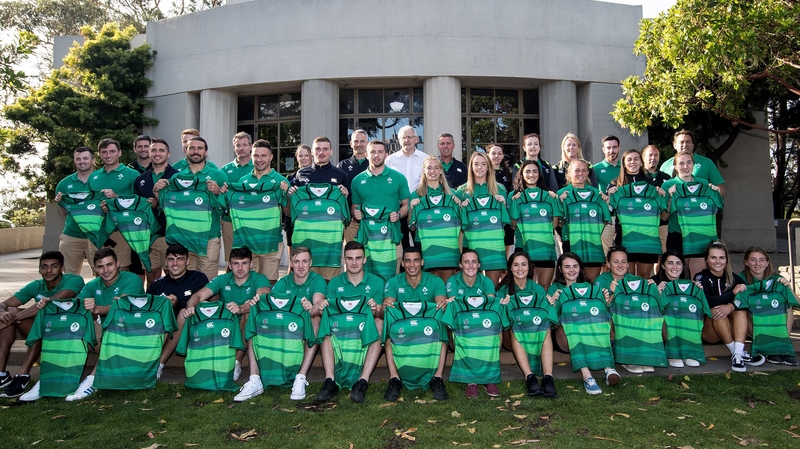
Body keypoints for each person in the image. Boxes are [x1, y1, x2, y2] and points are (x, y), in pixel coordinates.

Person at [235, 248, 322, 401]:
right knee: (255, 317)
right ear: (291, 264)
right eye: (296, 262)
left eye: (304, 261)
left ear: (311, 263)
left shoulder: (317, 280)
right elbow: (269, 305)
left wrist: (311, 308)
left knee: (316, 319)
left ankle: (300, 377)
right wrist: (257, 302)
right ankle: (254, 379)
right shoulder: (283, 283)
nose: (301, 266)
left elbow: (318, 303)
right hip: (281, 332)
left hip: (301, 332)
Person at [183, 247, 272, 388]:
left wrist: (241, 308)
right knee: (199, 306)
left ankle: (236, 363)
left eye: (244, 263)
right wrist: (191, 306)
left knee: (249, 314)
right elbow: (198, 295)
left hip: (248, 324)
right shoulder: (223, 279)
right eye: (236, 263)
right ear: (229, 265)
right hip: (226, 325)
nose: (240, 268)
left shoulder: (259, 278)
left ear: (251, 264)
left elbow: (263, 296)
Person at [0, 251, 85, 399]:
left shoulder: (74, 280)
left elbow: (51, 302)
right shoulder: (36, 285)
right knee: (10, 310)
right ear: (39, 270)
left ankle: (23, 374)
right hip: (42, 331)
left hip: (64, 333)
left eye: (54, 266)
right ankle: (1, 375)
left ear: (63, 268)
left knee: (30, 318)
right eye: (44, 267)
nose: (48, 270)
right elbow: (4, 304)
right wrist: (3, 314)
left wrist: (14, 317)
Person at [66, 248, 146, 401]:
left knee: (117, 320)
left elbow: (121, 307)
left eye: (109, 265)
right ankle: (58, 377)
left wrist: (97, 309)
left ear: (118, 263)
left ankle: (92, 380)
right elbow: (76, 306)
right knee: (73, 324)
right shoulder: (93, 285)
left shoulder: (132, 279)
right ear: (95, 268)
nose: (106, 270)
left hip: (130, 334)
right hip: (100, 334)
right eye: (100, 266)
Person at [314, 241, 384, 403]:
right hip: (341, 331)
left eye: (358, 258)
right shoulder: (334, 283)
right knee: (324, 324)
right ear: (344, 259)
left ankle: (362, 381)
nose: (354, 262)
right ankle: (329, 380)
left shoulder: (377, 282)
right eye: (350, 258)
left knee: (380, 323)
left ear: (364, 259)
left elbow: (381, 312)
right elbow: (328, 312)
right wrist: (323, 307)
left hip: (363, 330)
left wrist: (375, 309)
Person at [154, 136, 228, 281]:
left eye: (199, 148)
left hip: (208, 239)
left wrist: (218, 192)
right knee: (186, 283)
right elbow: (166, 207)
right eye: (191, 148)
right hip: (182, 239)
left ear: (206, 152)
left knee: (208, 284)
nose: (195, 151)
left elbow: (229, 205)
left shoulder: (218, 175)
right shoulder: (176, 178)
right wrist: (157, 192)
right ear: (185, 151)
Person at [381, 247, 449, 401]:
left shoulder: (435, 281)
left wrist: (442, 304)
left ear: (422, 262)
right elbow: (389, 305)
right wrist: (386, 306)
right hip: (403, 329)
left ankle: (437, 377)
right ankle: (394, 378)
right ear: (403, 263)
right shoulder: (393, 282)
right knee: (388, 323)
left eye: (416, 260)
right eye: (408, 260)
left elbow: (440, 301)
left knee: (442, 322)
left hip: (428, 330)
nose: (412, 264)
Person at [547, 252, 619, 395]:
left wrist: (607, 298)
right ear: (560, 269)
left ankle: (607, 369)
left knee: (598, 320)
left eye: (575, 266)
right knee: (575, 323)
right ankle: (587, 375)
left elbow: (604, 312)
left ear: (580, 268)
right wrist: (553, 303)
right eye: (567, 267)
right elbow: (553, 321)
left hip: (591, 331)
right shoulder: (555, 289)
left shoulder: (592, 289)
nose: (572, 270)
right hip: (565, 335)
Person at [223, 139, 289, 285]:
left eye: (263, 156)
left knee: (268, 284)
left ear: (271, 157)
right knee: (247, 284)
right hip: (246, 244)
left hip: (270, 244)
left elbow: (288, 213)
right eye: (256, 156)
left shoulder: (280, 181)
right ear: (251, 156)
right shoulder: (243, 182)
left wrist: (287, 195)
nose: (259, 160)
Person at [695, 241, 765, 372]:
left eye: (722, 257)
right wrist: (732, 294)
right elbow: (707, 301)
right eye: (713, 257)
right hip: (710, 331)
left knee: (740, 311)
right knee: (716, 310)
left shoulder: (734, 278)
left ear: (726, 260)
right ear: (706, 260)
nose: (718, 261)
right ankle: (738, 354)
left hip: (732, 329)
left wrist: (731, 306)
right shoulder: (700, 277)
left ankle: (737, 355)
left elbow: (746, 299)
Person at [289, 136, 351, 280]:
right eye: (317, 149)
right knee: (306, 285)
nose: (321, 152)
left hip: (330, 246)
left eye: (325, 149)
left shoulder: (341, 175)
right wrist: (290, 194)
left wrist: (345, 196)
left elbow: (347, 210)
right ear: (312, 152)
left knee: (329, 286)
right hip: (306, 244)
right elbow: (292, 210)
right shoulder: (301, 174)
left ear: (331, 151)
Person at [497, 250, 557, 398]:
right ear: (510, 268)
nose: (520, 268)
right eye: (515, 265)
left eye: (524, 264)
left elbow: (547, 314)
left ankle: (548, 378)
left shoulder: (538, 289)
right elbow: (497, 317)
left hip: (535, 334)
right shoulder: (503, 290)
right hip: (511, 336)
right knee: (514, 326)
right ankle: (529, 377)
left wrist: (551, 303)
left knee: (546, 327)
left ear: (529, 267)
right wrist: (502, 305)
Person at [596, 247, 666, 374]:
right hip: (609, 322)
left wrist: (652, 290)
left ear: (629, 264)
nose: (620, 265)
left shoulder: (635, 280)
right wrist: (612, 292)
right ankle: (627, 358)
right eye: (615, 261)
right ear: (608, 263)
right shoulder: (601, 280)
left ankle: (642, 355)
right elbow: (599, 311)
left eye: (623, 261)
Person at [443, 250, 502, 398]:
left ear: (479, 264)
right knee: (466, 328)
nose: (470, 265)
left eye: (474, 262)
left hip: (483, 324)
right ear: (460, 265)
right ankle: (471, 381)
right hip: (463, 326)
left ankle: (489, 376)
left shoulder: (486, 281)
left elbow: (489, 305)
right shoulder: (453, 281)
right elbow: (456, 307)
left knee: (496, 327)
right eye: (466, 262)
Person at [148, 244, 209, 378]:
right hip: (164, 330)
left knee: (183, 313)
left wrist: (177, 303)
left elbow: (205, 305)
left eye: (180, 259)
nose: (175, 263)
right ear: (166, 262)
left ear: (187, 261)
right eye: (171, 259)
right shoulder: (157, 285)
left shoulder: (198, 278)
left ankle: (159, 364)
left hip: (193, 330)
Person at [351, 140, 409, 280]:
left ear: (386, 154)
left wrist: (399, 214)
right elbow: (355, 207)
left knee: (392, 278)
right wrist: (355, 213)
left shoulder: (398, 178)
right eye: (372, 152)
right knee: (366, 278)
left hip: (392, 237)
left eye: (380, 152)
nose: (376, 155)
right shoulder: (357, 180)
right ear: (366, 155)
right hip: (367, 239)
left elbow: (406, 204)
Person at [607, 149, 668, 276]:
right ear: (623, 163)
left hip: (648, 238)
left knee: (644, 276)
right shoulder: (615, 184)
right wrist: (608, 197)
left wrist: (663, 195)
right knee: (625, 276)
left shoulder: (652, 183)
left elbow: (663, 214)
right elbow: (609, 212)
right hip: (624, 236)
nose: (633, 162)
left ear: (641, 162)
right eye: (629, 159)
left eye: (636, 159)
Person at [663, 151, 724, 276]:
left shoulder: (704, 184)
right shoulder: (668, 185)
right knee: (678, 276)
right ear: (675, 166)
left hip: (700, 237)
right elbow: (663, 217)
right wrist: (670, 197)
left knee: (698, 276)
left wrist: (715, 193)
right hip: (677, 235)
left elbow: (713, 211)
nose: (686, 166)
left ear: (693, 164)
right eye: (681, 163)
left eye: (689, 162)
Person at [737, 247, 798, 366]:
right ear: (746, 262)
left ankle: (781, 345)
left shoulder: (777, 279)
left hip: (776, 326)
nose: (758, 264)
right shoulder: (740, 279)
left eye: (762, 260)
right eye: (753, 260)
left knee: (788, 306)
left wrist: (789, 288)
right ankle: (772, 351)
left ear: (767, 262)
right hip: (754, 326)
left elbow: (798, 304)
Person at [456, 152, 510, 286]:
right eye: (476, 164)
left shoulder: (500, 189)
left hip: (494, 246)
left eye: (483, 164)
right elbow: (457, 221)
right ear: (471, 168)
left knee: (493, 287)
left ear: (488, 167)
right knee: (474, 287)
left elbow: (508, 219)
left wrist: (505, 204)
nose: (479, 167)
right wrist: (461, 207)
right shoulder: (462, 191)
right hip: (470, 244)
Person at [508, 160, 562, 290]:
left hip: (545, 249)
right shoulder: (514, 196)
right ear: (521, 174)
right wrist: (515, 204)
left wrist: (554, 200)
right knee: (524, 289)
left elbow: (554, 225)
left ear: (540, 174)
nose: (531, 174)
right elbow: (512, 226)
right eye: (527, 171)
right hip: (523, 248)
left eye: (534, 171)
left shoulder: (549, 196)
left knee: (544, 288)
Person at [88, 138, 139, 271]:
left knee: (122, 269)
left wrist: (116, 197)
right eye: (104, 152)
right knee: (99, 270)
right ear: (99, 154)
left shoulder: (132, 174)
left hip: (120, 230)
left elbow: (139, 203)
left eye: (112, 151)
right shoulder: (93, 177)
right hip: (97, 230)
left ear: (119, 153)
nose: (108, 155)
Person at [409, 156, 462, 283]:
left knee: (447, 288)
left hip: (447, 251)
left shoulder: (452, 195)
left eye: (436, 167)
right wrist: (411, 210)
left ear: (441, 171)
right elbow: (411, 227)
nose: (432, 171)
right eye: (429, 168)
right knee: (429, 289)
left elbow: (462, 226)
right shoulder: (416, 194)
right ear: (424, 171)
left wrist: (460, 206)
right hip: (425, 249)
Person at [134, 138, 179, 285]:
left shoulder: (178, 177)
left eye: (161, 150)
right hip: (147, 236)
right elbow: (136, 208)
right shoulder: (140, 179)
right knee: (151, 274)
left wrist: (159, 203)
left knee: (173, 273)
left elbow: (180, 207)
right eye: (154, 150)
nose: (157, 153)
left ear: (169, 154)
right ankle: (153, 304)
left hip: (170, 235)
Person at [557, 159, 610, 281]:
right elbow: (558, 224)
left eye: (584, 170)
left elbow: (605, 221)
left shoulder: (597, 194)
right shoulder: (561, 194)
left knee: (591, 283)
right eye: (576, 170)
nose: (580, 173)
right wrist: (561, 203)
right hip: (571, 244)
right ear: (569, 172)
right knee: (573, 284)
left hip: (593, 245)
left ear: (588, 173)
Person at [657, 250, 711, 368]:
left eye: (678, 263)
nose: (675, 267)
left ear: (683, 266)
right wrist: (657, 293)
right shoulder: (655, 283)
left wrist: (698, 292)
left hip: (685, 326)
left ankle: (688, 352)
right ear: (662, 265)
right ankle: (673, 354)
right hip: (659, 329)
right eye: (670, 263)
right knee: (666, 317)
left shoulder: (692, 285)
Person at [54, 146, 95, 274]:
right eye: (78, 159)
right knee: (69, 277)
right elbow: (65, 212)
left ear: (93, 160)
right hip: (71, 236)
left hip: (97, 236)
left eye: (85, 158)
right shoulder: (64, 184)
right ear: (74, 161)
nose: (82, 161)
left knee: (103, 275)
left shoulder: (102, 180)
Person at [386, 126, 426, 246]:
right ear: (399, 140)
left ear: (416, 139)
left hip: (418, 207)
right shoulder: (390, 160)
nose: (407, 140)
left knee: (419, 244)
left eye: (410, 137)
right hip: (397, 208)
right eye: (404, 137)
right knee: (400, 245)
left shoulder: (424, 159)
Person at [221, 132, 255, 268]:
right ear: (234, 148)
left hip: (253, 221)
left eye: (244, 145)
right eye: (238, 145)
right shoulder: (224, 170)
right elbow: (221, 196)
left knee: (253, 259)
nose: (241, 148)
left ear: (251, 146)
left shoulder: (259, 167)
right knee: (232, 259)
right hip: (230, 221)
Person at [339, 130, 370, 243]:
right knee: (351, 253)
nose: (359, 144)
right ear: (351, 144)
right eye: (356, 141)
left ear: (367, 143)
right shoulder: (343, 165)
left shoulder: (374, 164)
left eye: (362, 141)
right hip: (351, 221)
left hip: (372, 218)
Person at [641, 145, 671, 252]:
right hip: (645, 223)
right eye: (650, 155)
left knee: (662, 254)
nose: (653, 158)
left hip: (663, 223)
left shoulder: (666, 177)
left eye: (656, 155)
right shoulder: (639, 176)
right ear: (643, 157)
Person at [487, 144, 516, 256]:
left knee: (505, 257)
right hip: (487, 219)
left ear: (503, 156)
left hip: (505, 220)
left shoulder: (508, 174)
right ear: (488, 155)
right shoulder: (483, 173)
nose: (496, 156)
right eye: (493, 153)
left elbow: (512, 195)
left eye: (499, 154)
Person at [285, 144, 313, 255]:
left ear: (311, 157)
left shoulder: (316, 176)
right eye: (300, 155)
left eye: (306, 155)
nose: (303, 158)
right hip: (292, 219)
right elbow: (285, 199)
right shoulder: (290, 178)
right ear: (297, 157)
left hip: (310, 218)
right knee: (293, 255)